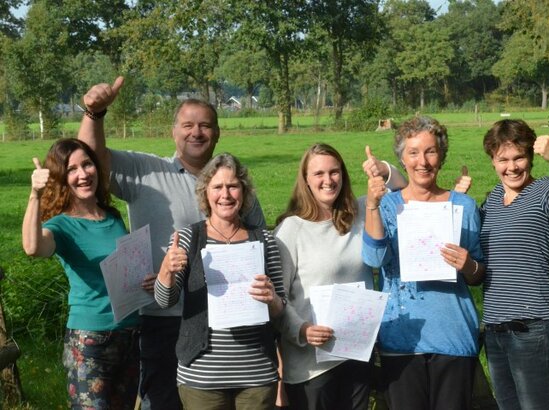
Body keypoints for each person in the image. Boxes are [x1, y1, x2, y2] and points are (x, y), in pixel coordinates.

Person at [78, 77, 266, 410]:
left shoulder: (233, 187)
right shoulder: (146, 171)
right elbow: (91, 159)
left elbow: (259, 250)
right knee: (162, 401)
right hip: (162, 318)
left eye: (205, 125)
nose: (197, 132)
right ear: (173, 132)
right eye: (188, 125)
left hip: (225, 324)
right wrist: (94, 115)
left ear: (217, 133)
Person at [273, 143, 411, 410]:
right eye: (319, 174)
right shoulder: (291, 230)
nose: (328, 180)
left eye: (334, 172)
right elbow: (277, 299)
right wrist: (301, 330)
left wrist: (384, 169)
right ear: (306, 181)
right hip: (311, 366)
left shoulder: (361, 213)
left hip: (356, 354)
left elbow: (405, 193)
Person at [362, 116, 486, 410]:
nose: (423, 161)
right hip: (402, 338)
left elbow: (478, 274)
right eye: (414, 152)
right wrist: (372, 205)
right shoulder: (389, 205)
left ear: (442, 156)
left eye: (431, 151)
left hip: (453, 335)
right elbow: (374, 258)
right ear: (402, 159)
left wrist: (468, 265)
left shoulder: (463, 206)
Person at [153, 153, 285, 409]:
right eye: (217, 187)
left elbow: (281, 311)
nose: (225, 194)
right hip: (201, 377)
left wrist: (272, 299)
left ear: (244, 192)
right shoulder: (187, 238)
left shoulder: (263, 240)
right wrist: (166, 271)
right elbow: (164, 301)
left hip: (256, 376)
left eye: (233, 186)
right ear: (206, 193)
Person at [22, 138, 140, 409]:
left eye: (87, 164)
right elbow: (32, 247)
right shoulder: (61, 225)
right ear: (62, 179)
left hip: (130, 334)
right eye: (72, 169)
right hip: (90, 342)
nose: (83, 174)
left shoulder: (112, 216)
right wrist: (35, 195)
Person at [479, 120, 549, 410]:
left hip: (535, 330)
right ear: (492, 161)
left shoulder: (546, 191)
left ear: (530, 157)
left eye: (519, 157)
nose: (512, 167)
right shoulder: (490, 201)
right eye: (503, 159)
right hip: (495, 331)